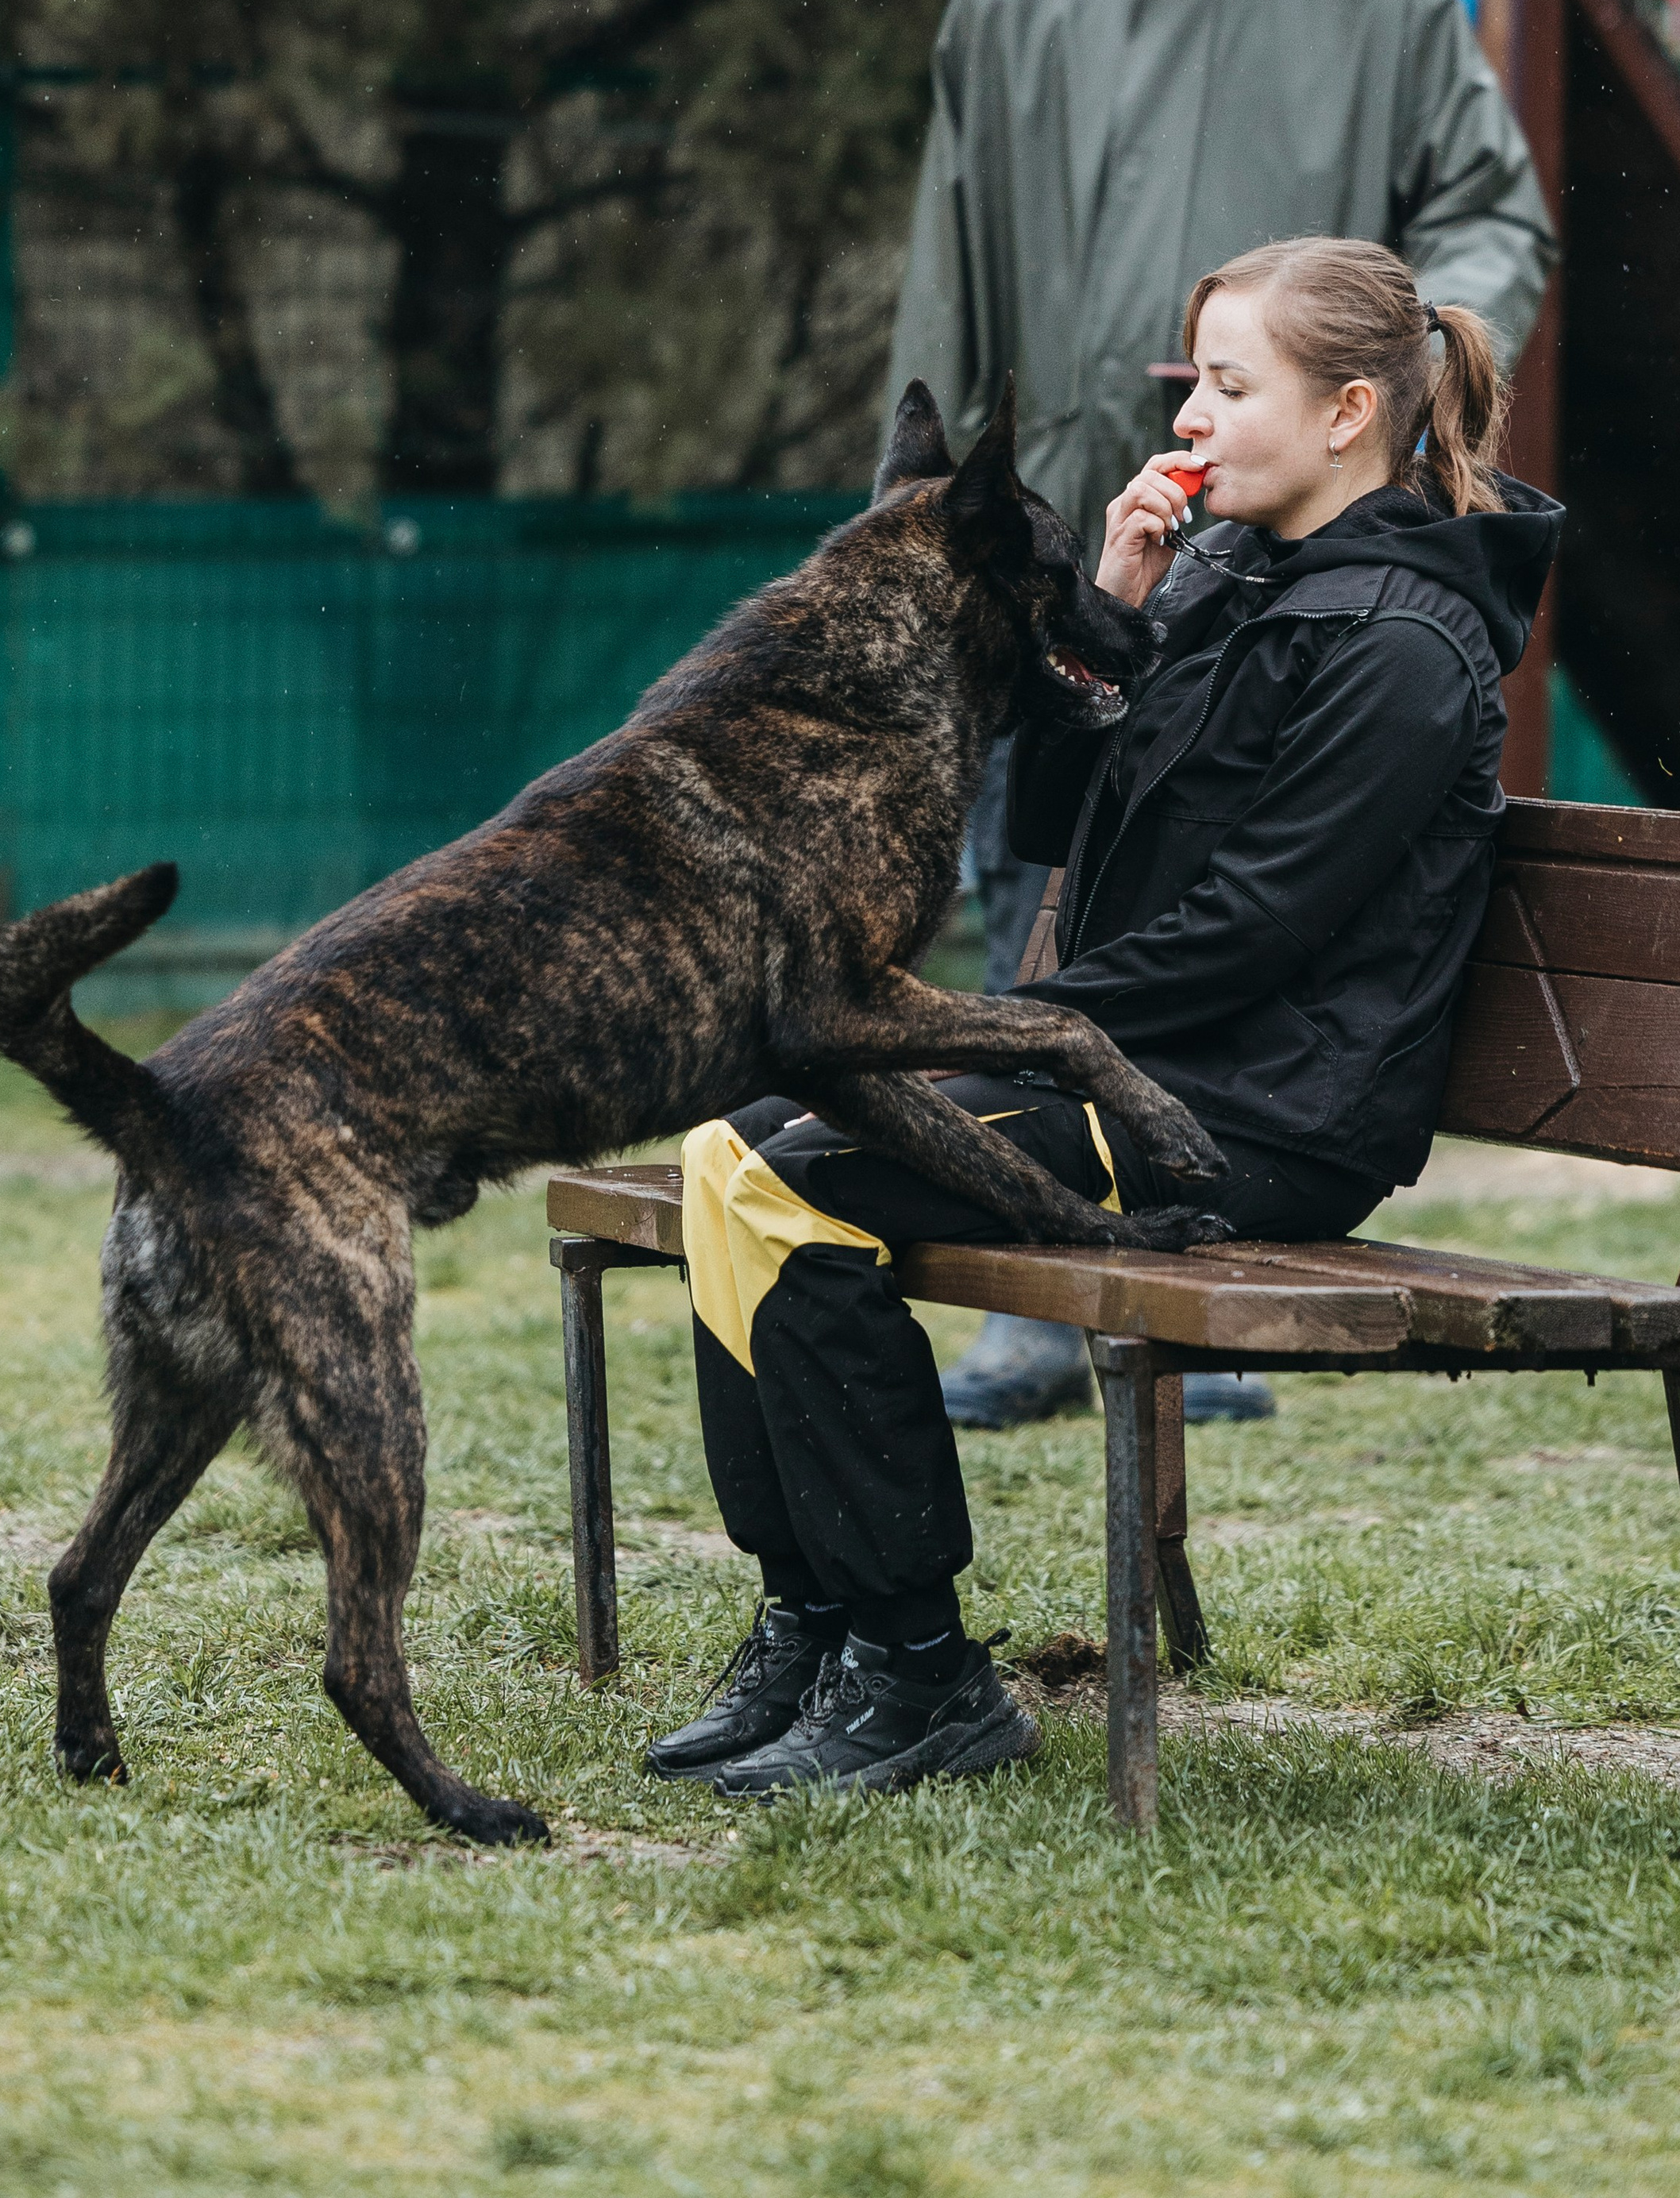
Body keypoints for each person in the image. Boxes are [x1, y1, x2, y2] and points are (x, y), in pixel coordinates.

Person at [645, 237, 1561, 1800]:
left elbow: (1249, 931)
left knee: (786, 1178)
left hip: (1256, 1116)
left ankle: (919, 1668)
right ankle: (820, 1618)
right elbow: (1051, 830)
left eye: (1226, 382)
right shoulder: (1219, 571)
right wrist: (1102, 626)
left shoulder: (1405, 643)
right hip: (1148, 1072)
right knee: (729, 1150)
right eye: (1187, 382)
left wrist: (982, 1031)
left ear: (1346, 411)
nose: (1189, 416)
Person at [889, 0, 1559, 1429]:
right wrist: (921, 498)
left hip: (1294, 540)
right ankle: (1039, 1299)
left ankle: (1176, 1291)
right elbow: (947, 251)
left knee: (1229, 870)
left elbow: (1493, 219)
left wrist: (1385, 368)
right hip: (1075, 524)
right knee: (1046, 848)